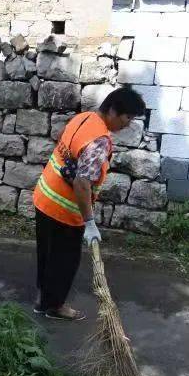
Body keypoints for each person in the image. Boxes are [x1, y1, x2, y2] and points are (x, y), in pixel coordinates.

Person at [31, 87, 146, 321]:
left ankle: (42, 300)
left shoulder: (83, 118)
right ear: (114, 111)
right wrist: (90, 222)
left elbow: (67, 153)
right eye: (127, 117)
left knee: (47, 254)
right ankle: (55, 307)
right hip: (64, 209)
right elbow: (82, 184)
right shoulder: (99, 141)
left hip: (44, 196)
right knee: (65, 260)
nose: (127, 124)